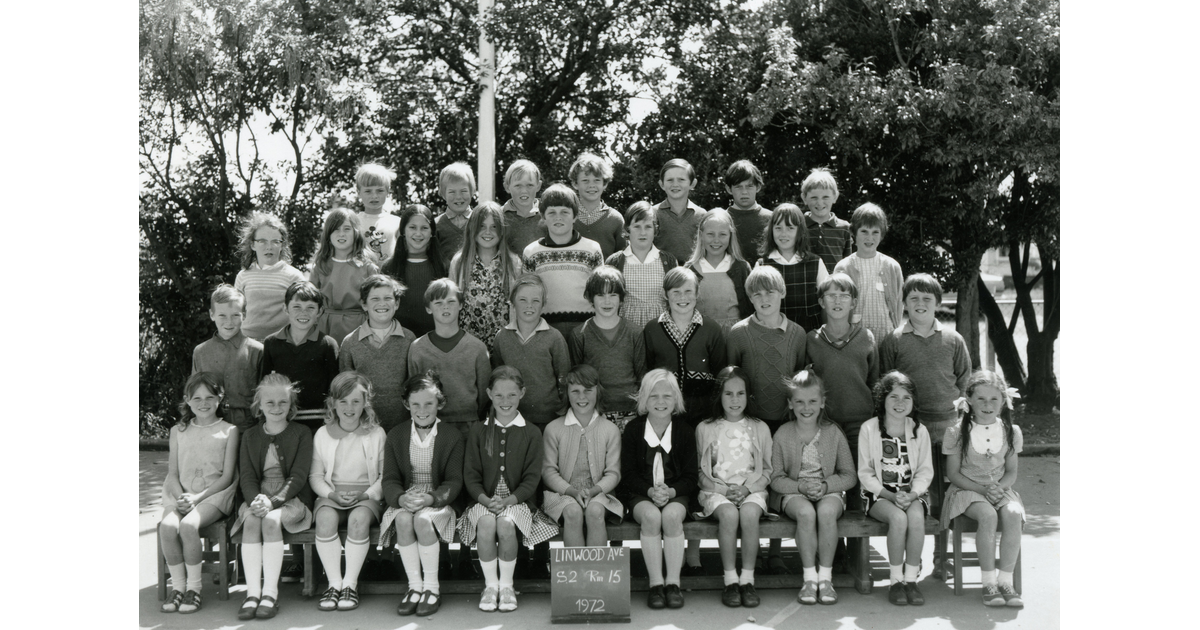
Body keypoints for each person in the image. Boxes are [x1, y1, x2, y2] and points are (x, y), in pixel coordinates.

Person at [878, 273, 971, 578]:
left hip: (947, 428)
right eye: (913, 298)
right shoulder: (894, 339)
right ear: (904, 303)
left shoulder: (953, 339)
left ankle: (942, 559)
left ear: (938, 303)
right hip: (909, 431)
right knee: (911, 495)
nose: (920, 304)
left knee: (944, 496)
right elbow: (886, 383)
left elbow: (964, 380)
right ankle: (908, 561)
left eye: (927, 299)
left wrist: (956, 410)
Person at [725, 265, 808, 572]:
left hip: (784, 423)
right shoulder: (739, 333)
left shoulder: (798, 334)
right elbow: (731, 380)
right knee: (751, 482)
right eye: (756, 294)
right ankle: (752, 550)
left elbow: (800, 379)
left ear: (782, 293)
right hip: (750, 424)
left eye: (770, 292)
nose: (764, 298)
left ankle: (775, 552)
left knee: (780, 481)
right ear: (750, 298)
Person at [458, 366, 560, 613]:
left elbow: (531, 478)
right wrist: (484, 499)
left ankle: (506, 585)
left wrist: (509, 501)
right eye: (499, 395)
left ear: (522, 393)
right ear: (489, 394)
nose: (505, 401)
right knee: (486, 523)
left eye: (512, 395)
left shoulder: (531, 432)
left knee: (505, 524)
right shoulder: (479, 430)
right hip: (482, 501)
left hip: (518, 503)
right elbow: (470, 475)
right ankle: (490, 585)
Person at [379, 372, 465, 617]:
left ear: (440, 403)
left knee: (422, 519)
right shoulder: (396, 435)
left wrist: (431, 499)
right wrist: (400, 498)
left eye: (429, 403)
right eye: (415, 404)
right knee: (404, 519)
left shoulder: (451, 436)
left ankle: (431, 588)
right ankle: (414, 587)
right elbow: (391, 479)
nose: (422, 409)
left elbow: (453, 480)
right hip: (406, 498)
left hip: (438, 501)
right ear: (407, 404)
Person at [770, 370, 855, 606]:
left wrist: (826, 485)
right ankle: (809, 578)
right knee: (806, 513)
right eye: (799, 401)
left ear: (822, 402)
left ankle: (825, 578)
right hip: (795, 491)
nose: (806, 407)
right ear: (790, 403)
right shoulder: (783, 434)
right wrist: (801, 486)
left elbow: (849, 475)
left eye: (812, 401)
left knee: (826, 512)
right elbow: (776, 478)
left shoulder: (833, 432)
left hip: (828, 490)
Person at [942, 370, 1025, 608]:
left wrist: (999, 488)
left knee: (1013, 513)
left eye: (994, 399)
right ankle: (988, 581)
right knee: (987, 515)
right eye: (981, 399)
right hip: (965, 490)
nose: (987, 405)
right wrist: (982, 489)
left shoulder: (1010, 431)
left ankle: (1005, 581)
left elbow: (1011, 471)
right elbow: (954, 474)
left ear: (1003, 402)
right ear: (969, 400)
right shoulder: (957, 432)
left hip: (1000, 489)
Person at [234, 374, 314, 620]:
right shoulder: (249, 436)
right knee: (252, 520)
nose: (277, 408)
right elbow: (247, 476)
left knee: (270, 521)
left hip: (292, 498)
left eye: (283, 402)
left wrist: (273, 501)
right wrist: (256, 500)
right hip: (256, 497)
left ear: (292, 404)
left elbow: (299, 476)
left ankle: (269, 593)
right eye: (270, 403)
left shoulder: (302, 433)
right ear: (259, 405)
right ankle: (252, 593)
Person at [159, 373, 240, 615]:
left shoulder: (229, 430)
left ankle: (194, 589)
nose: (203, 403)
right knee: (167, 526)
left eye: (209, 397)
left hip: (214, 496)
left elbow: (226, 477)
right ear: (187, 400)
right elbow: (172, 473)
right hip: (179, 494)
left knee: (188, 526)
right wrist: (182, 496)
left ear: (219, 398)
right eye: (197, 398)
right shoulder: (178, 430)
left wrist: (197, 498)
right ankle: (179, 588)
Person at [694, 366, 774, 608]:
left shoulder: (759, 427)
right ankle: (730, 581)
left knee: (749, 514)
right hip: (716, 491)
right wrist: (721, 490)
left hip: (751, 490)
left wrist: (749, 489)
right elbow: (699, 472)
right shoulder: (705, 428)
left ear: (748, 395)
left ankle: (747, 580)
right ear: (719, 395)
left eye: (740, 393)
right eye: (728, 394)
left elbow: (768, 470)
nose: (735, 400)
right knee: (729, 515)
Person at [619, 370, 697, 610]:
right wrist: (651, 492)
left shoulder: (684, 431)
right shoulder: (634, 430)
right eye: (653, 396)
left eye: (667, 396)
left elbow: (691, 477)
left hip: (677, 493)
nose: (660, 402)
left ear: (676, 399)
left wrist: (671, 493)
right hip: (642, 493)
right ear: (643, 399)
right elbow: (629, 474)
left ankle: (673, 584)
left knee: (672, 516)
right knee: (652, 517)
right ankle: (655, 584)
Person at [310, 372, 387, 612]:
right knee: (324, 521)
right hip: (332, 495)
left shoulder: (376, 433)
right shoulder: (323, 434)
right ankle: (334, 583)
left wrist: (367, 495)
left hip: (366, 496)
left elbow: (386, 477)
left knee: (357, 521)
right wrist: (330, 495)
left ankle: (349, 585)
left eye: (356, 401)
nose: (349, 407)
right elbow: (315, 476)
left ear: (366, 403)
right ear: (332, 403)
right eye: (343, 401)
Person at [857, 371, 933, 607]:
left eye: (906, 398)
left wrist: (912, 494)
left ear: (913, 402)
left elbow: (924, 471)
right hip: (878, 495)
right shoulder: (869, 429)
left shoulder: (919, 430)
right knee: (898, 519)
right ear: (882, 399)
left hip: (912, 493)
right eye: (893, 397)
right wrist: (889, 495)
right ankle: (896, 580)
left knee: (916, 518)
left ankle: (911, 580)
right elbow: (865, 472)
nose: (900, 403)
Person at [541, 365, 624, 547]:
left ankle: (597, 572)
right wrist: (572, 491)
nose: (582, 397)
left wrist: (593, 491)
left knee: (594, 511)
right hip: (563, 494)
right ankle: (576, 573)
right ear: (566, 393)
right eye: (575, 391)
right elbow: (548, 471)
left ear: (598, 391)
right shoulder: (554, 429)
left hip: (601, 494)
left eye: (588, 390)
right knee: (573, 512)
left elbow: (614, 473)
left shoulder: (610, 430)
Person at [804, 273, 879, 458]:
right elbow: (805, 383)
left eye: (844, 296)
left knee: (857, 473)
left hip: (860, 421)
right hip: (824, 420)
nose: (837, 301)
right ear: (822, 302)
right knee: (829, 474)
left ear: (853, 303)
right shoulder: (811, 339)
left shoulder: (866, 337)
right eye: (831, 296)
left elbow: (875, 380)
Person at [643, 266, 727, 424]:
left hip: (703, 413)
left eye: (688, 291)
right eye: (676, 292)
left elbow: (720, 375)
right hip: (665, 412)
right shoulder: (652, 329)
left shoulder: (711, 329)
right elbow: (647, 371)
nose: (683, 297)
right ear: (665, 294)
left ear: (697, 293)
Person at [568, 266, 646, 433]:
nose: (607, 301)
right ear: (590, 298)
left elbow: (642, 375)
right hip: (595, 411)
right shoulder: (579, 335)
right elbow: (577, 378)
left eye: (613, 295)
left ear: (621, 299)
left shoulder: (635, 333)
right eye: (600, 295)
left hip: (630, 411)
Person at [521, 183, 604, 338]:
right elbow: (527, 293)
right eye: (551, 212)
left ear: (575, 216)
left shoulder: (592, 249)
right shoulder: (532, 252)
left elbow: (600, 291)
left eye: (564, 212)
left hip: (585, 327)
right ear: (543, 216)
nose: (558, 217)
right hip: (545, 327)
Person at [406, 279, 492, 429]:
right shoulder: (418, 348)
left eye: (451, 301)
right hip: (429, 424)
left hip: (469, 425)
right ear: (428, 308)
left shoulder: (477, 348)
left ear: (460, 305)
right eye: (438, 303)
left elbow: (485, 394)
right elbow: (414, 389)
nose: (445, 306)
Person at [338, 275, 418, 433]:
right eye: (375, 298)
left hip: (402, 426)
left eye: (388, 298)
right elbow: (345, 390)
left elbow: (414, 384)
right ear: (364, 304)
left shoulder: (409, 339)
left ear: (397, 304)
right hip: (364, 426)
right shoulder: (350, 342)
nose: (382, 303)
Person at [490, 274, 570, 428]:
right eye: (522, 300)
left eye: (535, 301)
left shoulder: (554, 337)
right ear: (512, 303)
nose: (529, 306)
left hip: (548, 418)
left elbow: (564, 376)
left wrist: (561, 411)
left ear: (543, 304)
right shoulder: (502, 338)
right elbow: (497, 377)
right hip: (511, 417)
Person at [260, 281, 341, 432]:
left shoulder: (328, 345)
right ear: (285, 308)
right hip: (282, 419)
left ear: (320, 311)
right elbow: (264, 384)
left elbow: (335, 390)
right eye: (296, 307)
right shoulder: (272, 343)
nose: (303, 313)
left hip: (319, 422)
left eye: (310, 308)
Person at [448, 201, 524, 351]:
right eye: (482, 226)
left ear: (502, 230)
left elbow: (518, 304)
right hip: (468, 344)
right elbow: (452, 302)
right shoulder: (460, 262)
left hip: (502, 344)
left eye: (494, 227)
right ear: (472, 229)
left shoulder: (512, 262)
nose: (487, 232)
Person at [192, 284, 262, 432]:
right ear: (212, 315)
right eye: (222, 315)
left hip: (248, 427)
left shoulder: (257, 351)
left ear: (245, 314)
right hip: (211, 426)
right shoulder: (201, 352)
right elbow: (194, 393)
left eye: (235, 315)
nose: (229, 322)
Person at [833, 202, 904, 344]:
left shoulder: (892, 266)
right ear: (854, 232)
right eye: (864, 231)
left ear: (882, 234)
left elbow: (899, 303)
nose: (869, 237)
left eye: (875, 232)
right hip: (854, 338)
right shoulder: (843, 267)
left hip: (886, 335)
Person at [605, 201, 679, 329]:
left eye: (648, 226)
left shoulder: (668, 261)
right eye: (637, 226)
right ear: (628, 229)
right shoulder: (615, 262)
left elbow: (676, 297)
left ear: (655, 229)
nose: (642, 232)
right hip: (625, 330)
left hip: (661, 329)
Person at [310, 207, 379, 342]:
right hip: (325, 327)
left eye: (347, 229)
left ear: (356, 233)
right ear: (328, 235)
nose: (341, 234)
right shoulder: (320, 266)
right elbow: (311, 301)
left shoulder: (367, 266)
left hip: (359, 326)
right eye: (336, 229)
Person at [755, 203, 828, 332]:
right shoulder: (762, 265)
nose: (784, 234)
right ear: (771, 231)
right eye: (778, 228)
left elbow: (827, 301)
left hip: (810, 333)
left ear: (800, 231)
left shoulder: (815, 263)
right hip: (774, 333)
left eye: (790, 228)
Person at [234, 211, 307, 340]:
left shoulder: (294, 276)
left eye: (275, 241)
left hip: (282, 346)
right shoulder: (243, 276)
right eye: (262, 241)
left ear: (282, 245)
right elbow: (236, 313)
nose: (269, 247)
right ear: (253, 245)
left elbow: (303, 314)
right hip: (247, 344)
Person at [380, 204, 447, 338]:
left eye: (424, 228)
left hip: (435, 340)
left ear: (432, 232)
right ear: (403, 231)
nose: (418, 233)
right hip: (398, 340)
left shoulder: (444, 266)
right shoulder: (389, 267)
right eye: (412, 227)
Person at [685, 209, 753, 330]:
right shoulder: (689, 270)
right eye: (710, 234)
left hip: (735, 333)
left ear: (730, 235)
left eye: (722, 234)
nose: (716, 240)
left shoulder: (741, 268)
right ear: (701, 235)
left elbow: (751, 305)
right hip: (701, 335)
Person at [568, 152, 626, 258]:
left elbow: (623, 256)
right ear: (575, 184)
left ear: (605, 184)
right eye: (585, 180)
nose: (591, 185)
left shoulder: (615, 219)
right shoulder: (566, 216)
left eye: (597, 180)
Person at [652, 158, 708, 264]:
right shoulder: (652, 214)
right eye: (670, 180)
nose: (675, 184)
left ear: (692, 183)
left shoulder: (702, 215)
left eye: (681, 180)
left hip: (693, 274)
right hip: (660, 273)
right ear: (661, 184)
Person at [717, 160, 772, 263]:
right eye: (738, 187)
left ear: (758, 187)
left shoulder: (772, 218)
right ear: (729, 189)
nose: (744, 192)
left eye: (749, 186)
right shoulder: (720, 219)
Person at [801, 168, 853, 274]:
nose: (820, 203)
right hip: (807, 286)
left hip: (835, 287)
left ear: (835, 197)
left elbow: (848, 263)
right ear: (804, 198)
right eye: (814, 197)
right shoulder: (798, 226)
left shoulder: (845, 228)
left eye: (825, 197)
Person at [354, 162, 402, 264]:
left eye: (380, 190)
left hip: (388, 277)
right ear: (359, 192)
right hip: (361, 277)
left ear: (388, 192)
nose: (374, 196)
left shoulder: (396, 222)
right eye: (368, 191)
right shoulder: (353, 221)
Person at [434, 162, 476, 268]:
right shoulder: (436, 225)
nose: (458, 197)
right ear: (443, 194)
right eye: (452, 192)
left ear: (472, 191)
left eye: (463, 191)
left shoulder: (480, 221)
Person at [501, 159, 546, 253]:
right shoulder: (498, 216)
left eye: (530, 185)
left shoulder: (547, 214)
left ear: (538, 185)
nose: (524, 191)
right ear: (507, 187)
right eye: (518, 186)